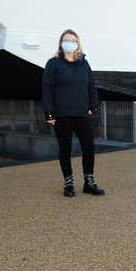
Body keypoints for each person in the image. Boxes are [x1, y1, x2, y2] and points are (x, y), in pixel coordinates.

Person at [42, 29, 105, 197]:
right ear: (61, 43)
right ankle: (68, 184)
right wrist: (48, 112)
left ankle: (89, 182)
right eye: (66, 39)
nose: (69, 42)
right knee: (65, 149)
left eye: (73, 40)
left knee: (89, 147)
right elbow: (47, 89)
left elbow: (91, 86)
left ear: (77, 43)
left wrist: (94, 105)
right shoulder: (53, 64)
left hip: (82, 113)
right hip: (61, 114)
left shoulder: (84, 63)